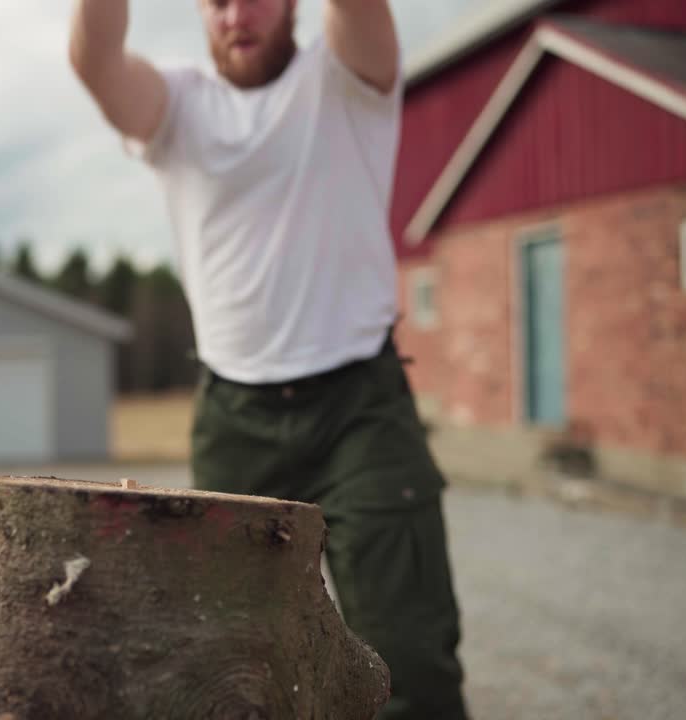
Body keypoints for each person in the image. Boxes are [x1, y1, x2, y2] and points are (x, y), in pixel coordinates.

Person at [69, 1, 469, 717]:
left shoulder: (345, 75)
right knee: (228, 673)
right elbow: (94, 65)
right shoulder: (179, 106)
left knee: (409, 661)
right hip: (235, 420)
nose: (234, 14)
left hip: (360, 411)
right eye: (216, 1)